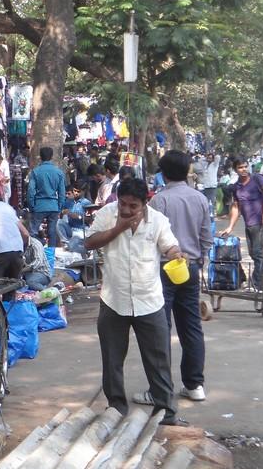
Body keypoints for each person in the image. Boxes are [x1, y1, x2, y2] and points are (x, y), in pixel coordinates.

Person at [86, 178, 183, 426]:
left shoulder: (158, 221)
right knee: (112, 359)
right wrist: (117, 228)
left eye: (133, 206)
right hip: (113, 299)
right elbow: (89, 242)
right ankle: (116, 408)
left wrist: (177, 255)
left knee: (158, 360)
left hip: (149, 301)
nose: (127, 210)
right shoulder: (107, 214)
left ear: (145, 204)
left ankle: (165, 412)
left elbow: (170, 246)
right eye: (123, 204)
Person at [133, 150, 212, 407]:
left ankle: (160, 391)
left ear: (163, 172)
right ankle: (195, 384)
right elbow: (205, 238)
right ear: (187, 170)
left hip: (164, 269)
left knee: (160, 329)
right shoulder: (200, 199)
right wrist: (202, 264)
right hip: (189, 267)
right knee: (191, 327)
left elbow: (148, 240)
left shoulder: (159, 201)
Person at [220, 156, 263, 290]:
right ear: (235, 170)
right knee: (253, 253)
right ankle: (261, 282)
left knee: (257, 253)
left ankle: (257, 285)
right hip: (249, 224)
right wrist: (230, 227)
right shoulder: (236, 186)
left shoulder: (257, 179)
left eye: (245, 166)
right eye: (240, 167)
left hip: (260, 222)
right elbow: (236, 207)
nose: (243, 169)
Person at [27, 147, 66, 246]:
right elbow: (62, 192)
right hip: (53, 206)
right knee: (52, 232)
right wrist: (60, 207)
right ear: (51, 156)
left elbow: (31, 191)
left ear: (40, 157)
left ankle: (36, 253)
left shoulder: (35, 172)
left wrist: (31, 206)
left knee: (33, 232)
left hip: (39, 206)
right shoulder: (58, 172)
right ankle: (50, 257)